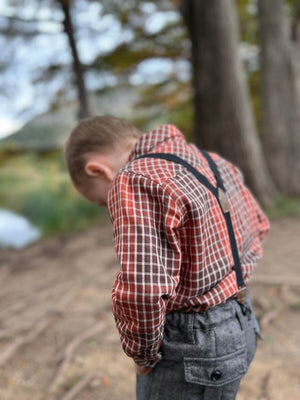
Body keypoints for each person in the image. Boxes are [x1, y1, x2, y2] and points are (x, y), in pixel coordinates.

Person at [64, 115, 270, 400]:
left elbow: (143, 290)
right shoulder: (213, 161)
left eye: (102, 201)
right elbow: (259, 225)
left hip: (193, 346)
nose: (107, 207)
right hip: (243, 323)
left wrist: (143, 354)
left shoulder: (135, 178)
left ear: (98, 170)